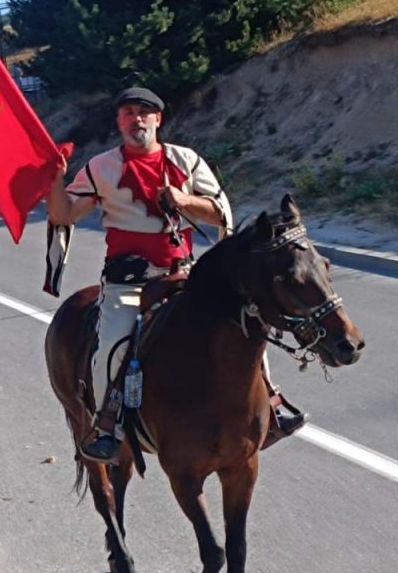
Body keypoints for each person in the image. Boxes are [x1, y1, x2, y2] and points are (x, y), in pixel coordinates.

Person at [46, 85, 306, 464]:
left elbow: (220, 211)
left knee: (246, 324)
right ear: (119, 121)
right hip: (128, 281)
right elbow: (63, 215)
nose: (137, 118)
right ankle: (107, 424)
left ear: (158, 119)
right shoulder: (100, 167)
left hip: (184, 275)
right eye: (128, 112)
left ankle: (271, 404)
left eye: (145, 112)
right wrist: (55, 179)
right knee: (113, 343)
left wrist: (184, 200)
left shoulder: (185, 160)